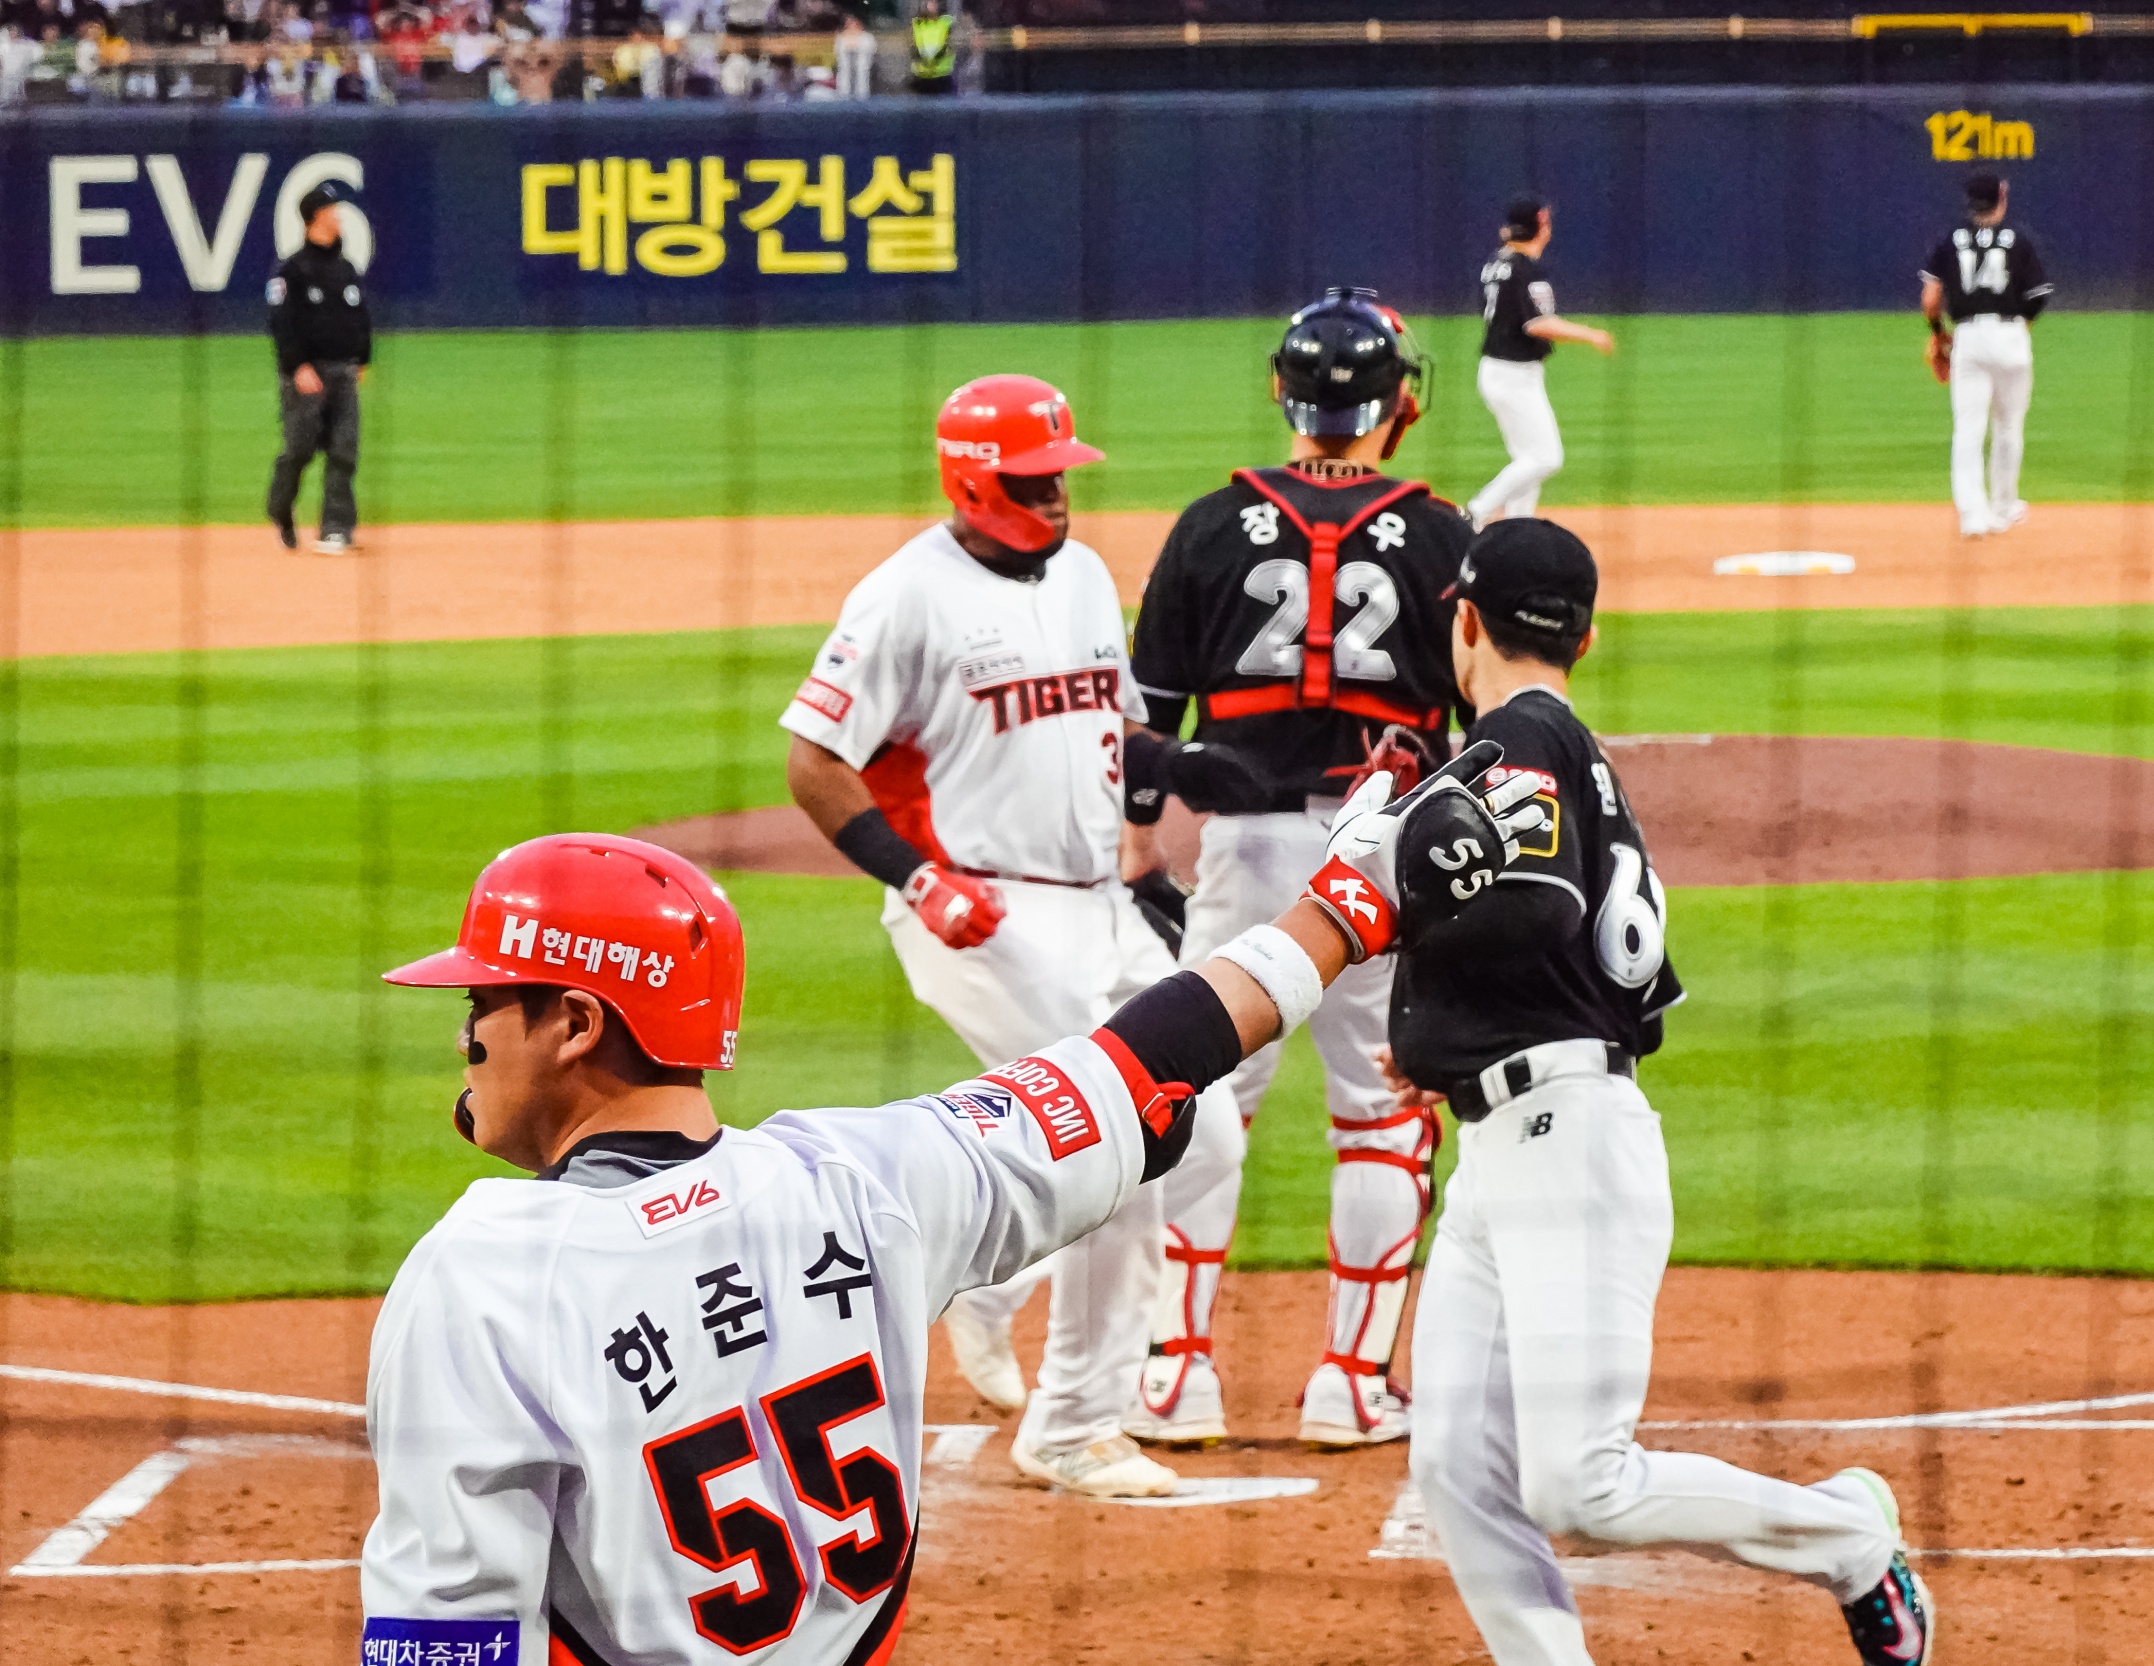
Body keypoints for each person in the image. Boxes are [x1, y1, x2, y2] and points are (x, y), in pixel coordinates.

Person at [358, 750, 1536, 1663]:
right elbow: (1147, 1059)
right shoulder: (868, 1178)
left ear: (575, 1023)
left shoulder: (481, 1278)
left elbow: (446, 1633)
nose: (465, 1035)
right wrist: (1346, 904)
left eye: (484, 1002)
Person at [1389, 518, 1937, 1666]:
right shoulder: (1564, 751)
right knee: (1452, 1463)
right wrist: (1442, 1032)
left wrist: (1406, 889)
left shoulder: (1518, 739)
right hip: (1508, 1144)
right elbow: (1614, 979)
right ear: (1584, 635)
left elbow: (1535, 906)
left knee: (1580, 1486)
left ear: (1465, 621)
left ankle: (1850, 1538)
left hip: (1566, 1142)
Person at [780, 374, 1239, 1499]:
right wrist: (915, 877)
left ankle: (984, 1290)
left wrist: (1173, 786)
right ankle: (1074, 1424)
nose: (1057, 496)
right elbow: (814, 762)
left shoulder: (1081, 576)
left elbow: (1105, 734)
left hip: (1097, 902)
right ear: (974, 481)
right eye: (1035, 480)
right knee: (1126, 1134)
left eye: (1062, 476)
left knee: (1212, 1135)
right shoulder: (905, 597)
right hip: (978, 911)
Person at [1121, 287, 1473, 1449]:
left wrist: (1138, 838)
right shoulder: (1443, 535)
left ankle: (1174, 1377)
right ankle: (1351, 1386)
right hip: (1381, 852)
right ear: (1400, 403)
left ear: (1283, 391)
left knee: (1202, 1102)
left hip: (1243, 848)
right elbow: (1481, 723)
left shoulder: (1211, 524)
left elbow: (1145, 720)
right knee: (1379, 1115)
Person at [1465, 197, 1612, 530]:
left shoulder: (1496, 263)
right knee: (1547, 457)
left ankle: (1517, 528)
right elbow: (1538, 324)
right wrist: (1591, 335)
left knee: (1528, 458)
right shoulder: (1526, 269)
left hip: (1497, 369)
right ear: (1541, 224)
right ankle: (1475, 512)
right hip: (1514, 374)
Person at [1921, 170, 2053, 538]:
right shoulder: (2019, 240)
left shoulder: (1949, 240)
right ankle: (2004, 507)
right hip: (2010, 335)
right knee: (2009, 426)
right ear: (2002, 196)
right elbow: (2039, 296)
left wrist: (1938, 335)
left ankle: (1972, 516)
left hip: (1967, 336)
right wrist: (2019, 327)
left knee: (1968, 427)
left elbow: (1930, 299)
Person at [265, 179, 369, 554]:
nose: (338, 217)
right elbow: (282, 323)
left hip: (344, 372)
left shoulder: (345, 268)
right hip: (308, 375)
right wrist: (297, 366)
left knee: (344, 450)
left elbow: (359, 316)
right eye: (332, 211)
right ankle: (280, 505)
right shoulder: (290, 271)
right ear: (315, 217)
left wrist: (363, 358)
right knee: (300, 449)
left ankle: (336, 529)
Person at [906, 0, 950, 93]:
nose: (932, 6)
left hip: (941, 73)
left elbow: (952, 43)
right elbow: (911, 43)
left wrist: (941, 54)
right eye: (930, 3)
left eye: (934, 3)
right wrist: (917, 55)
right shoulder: (917, 23)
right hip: (921, 74)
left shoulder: (947, 22)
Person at [833, 6, 873, 95]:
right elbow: (838, 51)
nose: (851, 25)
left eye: (853, 23)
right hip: (845, 62)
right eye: (849, 23)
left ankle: (862, 94)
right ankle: (844, 93)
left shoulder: (866, 37)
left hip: (861, 61)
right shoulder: (841, 37)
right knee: (844, 71)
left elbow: (870, 50)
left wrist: (857, 47)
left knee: (862, 71)